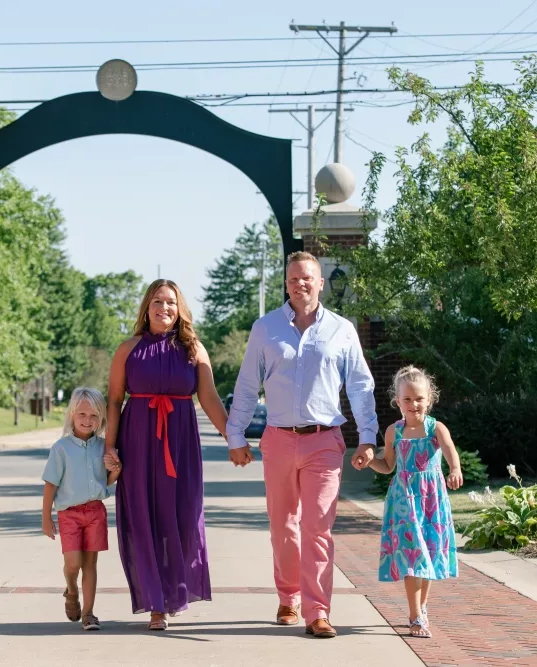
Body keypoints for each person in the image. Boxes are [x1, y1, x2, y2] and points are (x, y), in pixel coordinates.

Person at [227, 251, 378, 639]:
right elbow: (246, 385)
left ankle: (318, 611)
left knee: (317, 528)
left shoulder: (342, 330)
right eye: (294, 279)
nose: (301, 284)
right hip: (277, 440)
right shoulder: (265, 329)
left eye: (308, 278)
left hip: (324, 441)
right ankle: (288, 596)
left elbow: (360, 386)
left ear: (321, 282)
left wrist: (367, 437)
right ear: (287, 284)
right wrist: (236, 435)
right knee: (283, 527)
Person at [104, 279, 229, 631]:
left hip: (181, 442)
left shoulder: (194, 350)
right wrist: (109, 447)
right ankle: (156, 604)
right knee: (144, 519)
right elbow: (114, 400)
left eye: (171, 302)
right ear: (147, 306)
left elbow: (210, 400)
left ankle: (175, 592)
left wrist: (233, 437)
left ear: (180, 308)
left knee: (184, 516)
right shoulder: (127, 349)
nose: (164, 308)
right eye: (157, 301)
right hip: (138, 440)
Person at [370, 365, 461, 639]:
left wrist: (454, 469)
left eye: (419, 398)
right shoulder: (393, 432)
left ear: (429, 399)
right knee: (412, 555)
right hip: (403, 501)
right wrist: (368, 462)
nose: (413, 404)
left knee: (429, 554)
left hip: (432, 500)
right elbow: (388, 465)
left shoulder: (436, 428)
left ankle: (421, 608)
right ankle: (414, 615)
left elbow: (450, 452)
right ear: (397, 401)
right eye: (407, 399)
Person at [41, 387, 121, 631]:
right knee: (73, 563)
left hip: (95, 512)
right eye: (82, 415)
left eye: (94, 416)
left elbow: (104, 482)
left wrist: (116, 469)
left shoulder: (104, 447)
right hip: (70, 514)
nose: (88, 420)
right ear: (72, 415)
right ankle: (71, 589)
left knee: (90, 564)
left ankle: (89, 613)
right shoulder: (61, 448)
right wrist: (46, 517)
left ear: (102, 419)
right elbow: (51, 484)